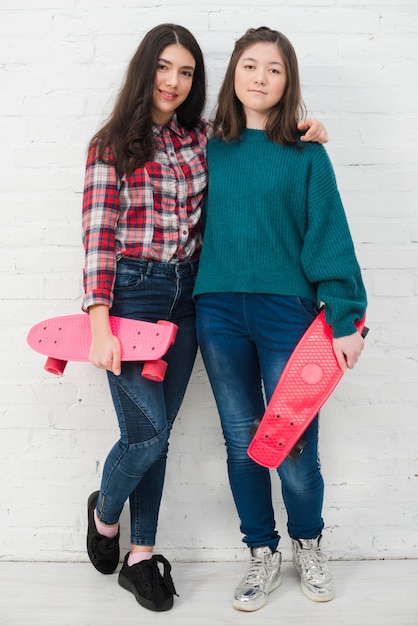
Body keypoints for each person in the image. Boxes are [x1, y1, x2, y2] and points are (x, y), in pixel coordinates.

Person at [81, 23, 328, 613]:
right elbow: (96, 239)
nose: (173, 81)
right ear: (146, 70)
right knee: (148, 433)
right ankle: (103, 513)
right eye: (164, 67)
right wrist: (97, 323)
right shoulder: (111, 143)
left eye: (186, 71)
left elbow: (260, 144)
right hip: (132, 298)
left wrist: (311, 129)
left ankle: (141, 553)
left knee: (161, 439)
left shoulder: (202, 139)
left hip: (190, 298)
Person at [194, 26, 367, 612]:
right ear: (233, 76)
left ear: (287, 80)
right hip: (217, 308)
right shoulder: (206, 146)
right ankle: (261, 552)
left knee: (291, 440)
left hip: (287, 311)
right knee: (243, 441)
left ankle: (309, 544)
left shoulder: (306, 153)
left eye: (273, 68)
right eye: (249, 66)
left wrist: (345, 317)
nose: (260, 78)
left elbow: (330, 236)